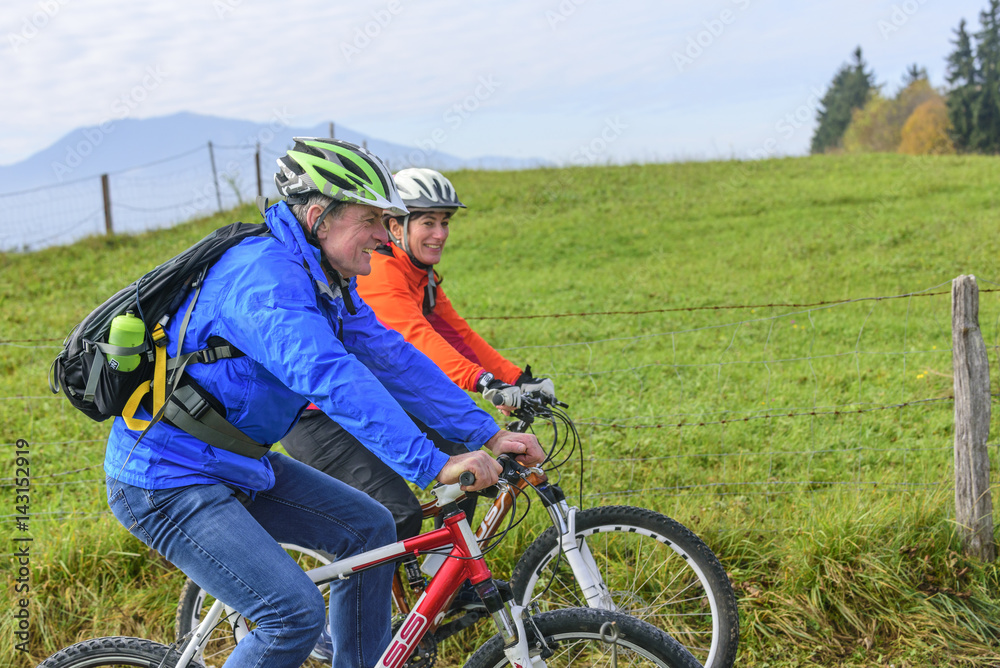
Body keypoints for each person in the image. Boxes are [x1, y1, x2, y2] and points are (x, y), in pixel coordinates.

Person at [103, 138, 543, 668]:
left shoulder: (324, 277)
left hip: (238, 463)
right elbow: (329, 376)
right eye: (371, 220)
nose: (385, 235)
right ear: (319, 218)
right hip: (167, 477)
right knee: (290, 616)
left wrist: (486, 432)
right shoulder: (263, 277)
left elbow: (389, 356)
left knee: (371, 531)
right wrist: (434, 463)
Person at [281, 167, 555, 544]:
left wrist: (516, 381)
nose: (440, 234)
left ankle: (447, 570)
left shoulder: (419, 276)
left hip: (365, 398)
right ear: (397, 227)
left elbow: (454, 337)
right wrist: (484, 383)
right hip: (316, 416)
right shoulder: (378, 274)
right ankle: (386, 582)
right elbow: (415, 342)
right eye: (428, 222)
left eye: (445, 222)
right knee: (395, 513)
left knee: (464, 458)